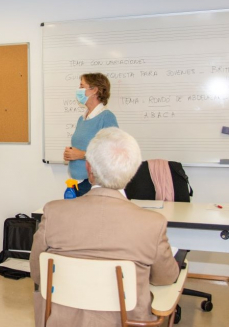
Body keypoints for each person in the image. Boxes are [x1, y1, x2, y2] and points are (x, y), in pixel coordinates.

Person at [31, 128, 179, 327]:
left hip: (61, 320)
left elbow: (38, 273)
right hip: (126, 322)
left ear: (89, 168)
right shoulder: (152, 223)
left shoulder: (53, 213)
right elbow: (165, 278)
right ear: (133, 170)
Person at [63, 72, 118, 196]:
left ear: (94, 90)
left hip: (93, 184)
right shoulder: (82, 118)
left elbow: (112, 153)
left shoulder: (106, 117)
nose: (79, 90)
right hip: (76, 183)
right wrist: (70, 154)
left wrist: (81, 155)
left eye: (82, 86)